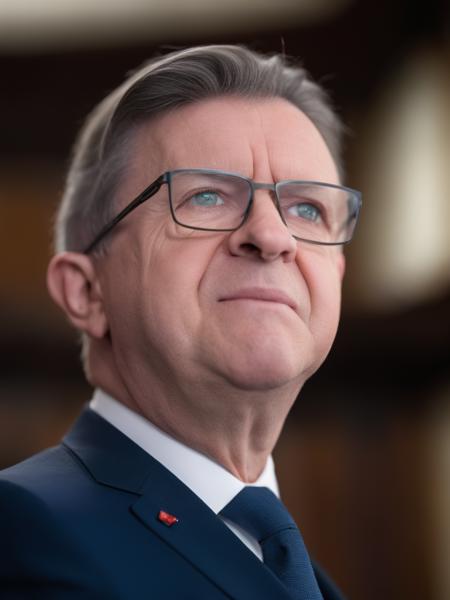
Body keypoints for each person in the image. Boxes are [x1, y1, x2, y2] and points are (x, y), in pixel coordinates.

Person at [0, 45, 361, 599]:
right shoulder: (23, 528)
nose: (272, 236)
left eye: (307, 209)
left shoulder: (311, 582)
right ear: (87, 291)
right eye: (207, 196)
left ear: (337, 273)